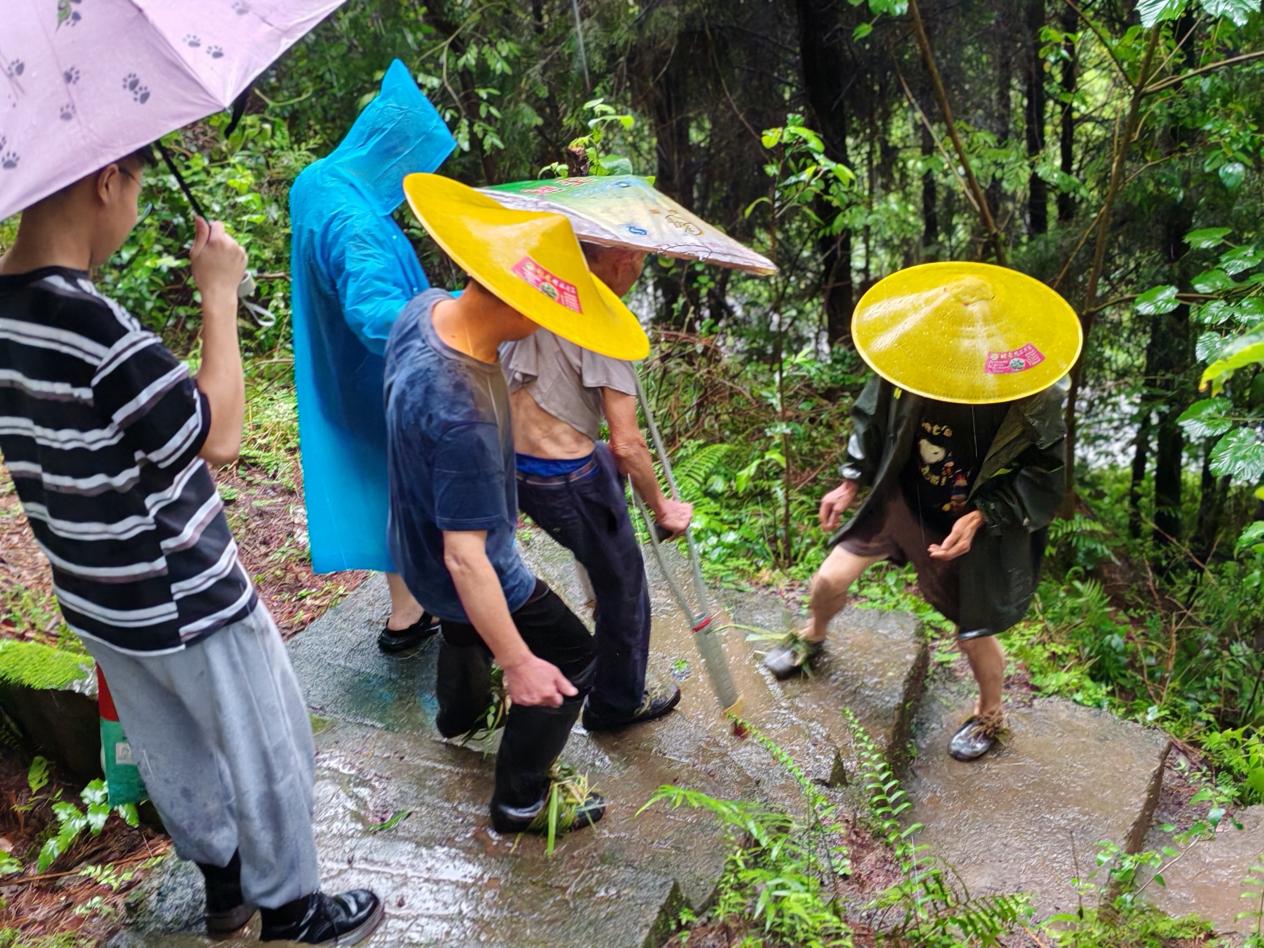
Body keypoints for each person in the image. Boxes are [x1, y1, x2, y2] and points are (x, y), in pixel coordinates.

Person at [0, 148, 381, 943]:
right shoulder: (93, 324)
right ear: (109, 180)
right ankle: (293, 908)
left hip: (96, 593)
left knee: (169, 746)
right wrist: (219, 293)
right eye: (135, 189)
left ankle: (224, 883)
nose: (134, 210)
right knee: (266, 734)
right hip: (182, 585)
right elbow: (221, 433)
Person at [384, 173, 649, 833]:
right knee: (571, 656)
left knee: (459, 619)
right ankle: (520, 799)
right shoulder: (464, 413)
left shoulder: (423, 310)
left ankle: (462, 714)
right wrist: (519, 664)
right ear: (519, 299)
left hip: (412, 542)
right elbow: (469, 561)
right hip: (471, 562)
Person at [762, 264, 1074, 762]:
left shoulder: (1027, 394)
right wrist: (849, 480)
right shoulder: (916, 361)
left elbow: (1045, 476)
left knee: (974, 633)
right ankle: (813, 635)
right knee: (828, 580)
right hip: (902, 501)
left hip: (967, 525)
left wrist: (981, 517)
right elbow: (872, 413)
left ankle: (991, 712)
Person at [289, 59, 455, 654]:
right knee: (416, 486)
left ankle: (407, 613)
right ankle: (447, 610)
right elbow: (376, 314)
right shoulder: (356, 222)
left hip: (339, 367)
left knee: (383, 483)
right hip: (381, 374)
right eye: (409, 164)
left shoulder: (317, 180)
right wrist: (457, 312)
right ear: (390, 151)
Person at [501, 243, 691, 732]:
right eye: (639, 262)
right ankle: (615, 703)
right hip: (564, 479)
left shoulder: (537, 292)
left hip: (509, 466)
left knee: (601, 469)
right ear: (624, 261)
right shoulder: (605, 320)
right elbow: (628, 445)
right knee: (625, 587)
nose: (637, 270)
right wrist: (662, 508)